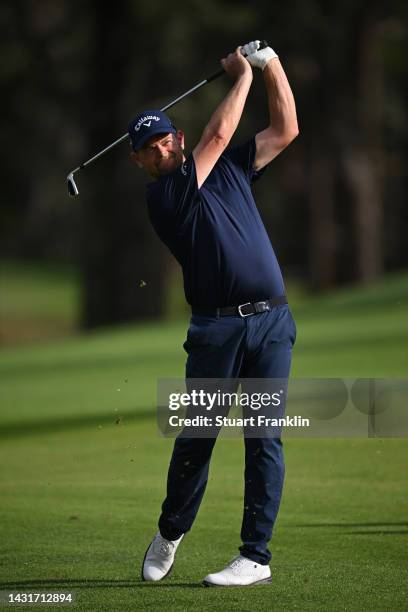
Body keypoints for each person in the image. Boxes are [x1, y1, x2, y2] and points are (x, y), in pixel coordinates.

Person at [129, 40, 298, 587]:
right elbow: (219, 133)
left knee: (264, 439)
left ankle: (255, 557)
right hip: (216, 330)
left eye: (165, 137)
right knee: (198, 438)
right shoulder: (166, 198)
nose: (161, 148)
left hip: (272, 323)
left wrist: (271, 66)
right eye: (149, 146)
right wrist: (241, 73)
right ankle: (171, 531)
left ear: (177, 137)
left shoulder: (229, 168)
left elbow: (285, 129)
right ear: (141, 160)